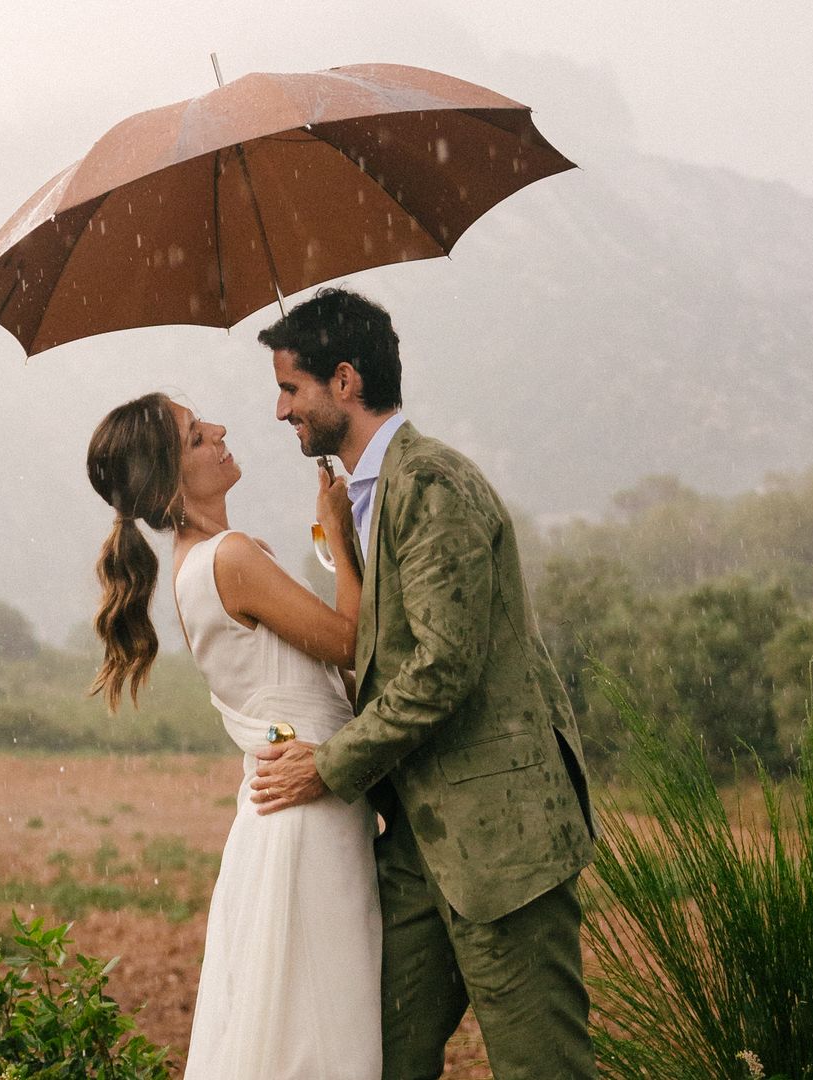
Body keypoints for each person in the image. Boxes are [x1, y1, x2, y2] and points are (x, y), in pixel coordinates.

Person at [249, 287, 598, 1079]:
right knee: (375, 1060)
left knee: (543, 1068)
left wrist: (328, 766)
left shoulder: (432, 483)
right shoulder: (369, 498)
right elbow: (388, 650)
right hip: (415, 849)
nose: (279, 411)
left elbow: (444, 667)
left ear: (345, 382)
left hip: (502, 840)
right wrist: (340, 542)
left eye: (290, 388)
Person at [86, 391, 380, 1080]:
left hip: (289, 812)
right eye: (194, 437)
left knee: (295, 1027)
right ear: (169, 479)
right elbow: (352, 644)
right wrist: (336, 533)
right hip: (307, 818)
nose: (218, 430)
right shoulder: (231, 557)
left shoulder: (200, 566)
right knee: (323, 1033)